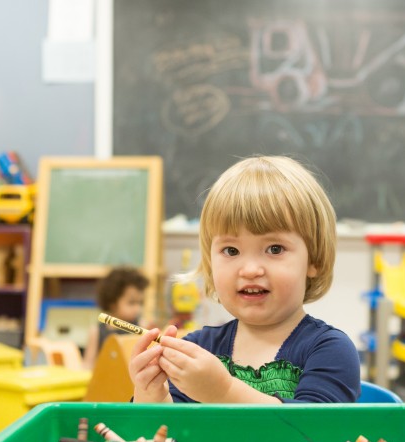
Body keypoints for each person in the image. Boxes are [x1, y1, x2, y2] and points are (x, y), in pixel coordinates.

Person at [128, 155, 361, 403]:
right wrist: (151, 396)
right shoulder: (197, 349)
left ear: (313, 259)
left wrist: (223, 392)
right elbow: (168, 436)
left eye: (274, 249)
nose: (250, 270)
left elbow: (316, 432)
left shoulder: (331, 350)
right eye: (231, 251)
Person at [82, 265, 150, 370]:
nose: (138, 309)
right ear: (112, 302)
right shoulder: (96, 331)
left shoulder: (141, 326)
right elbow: (88, 365)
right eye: (131, 303)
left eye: (140, 303)